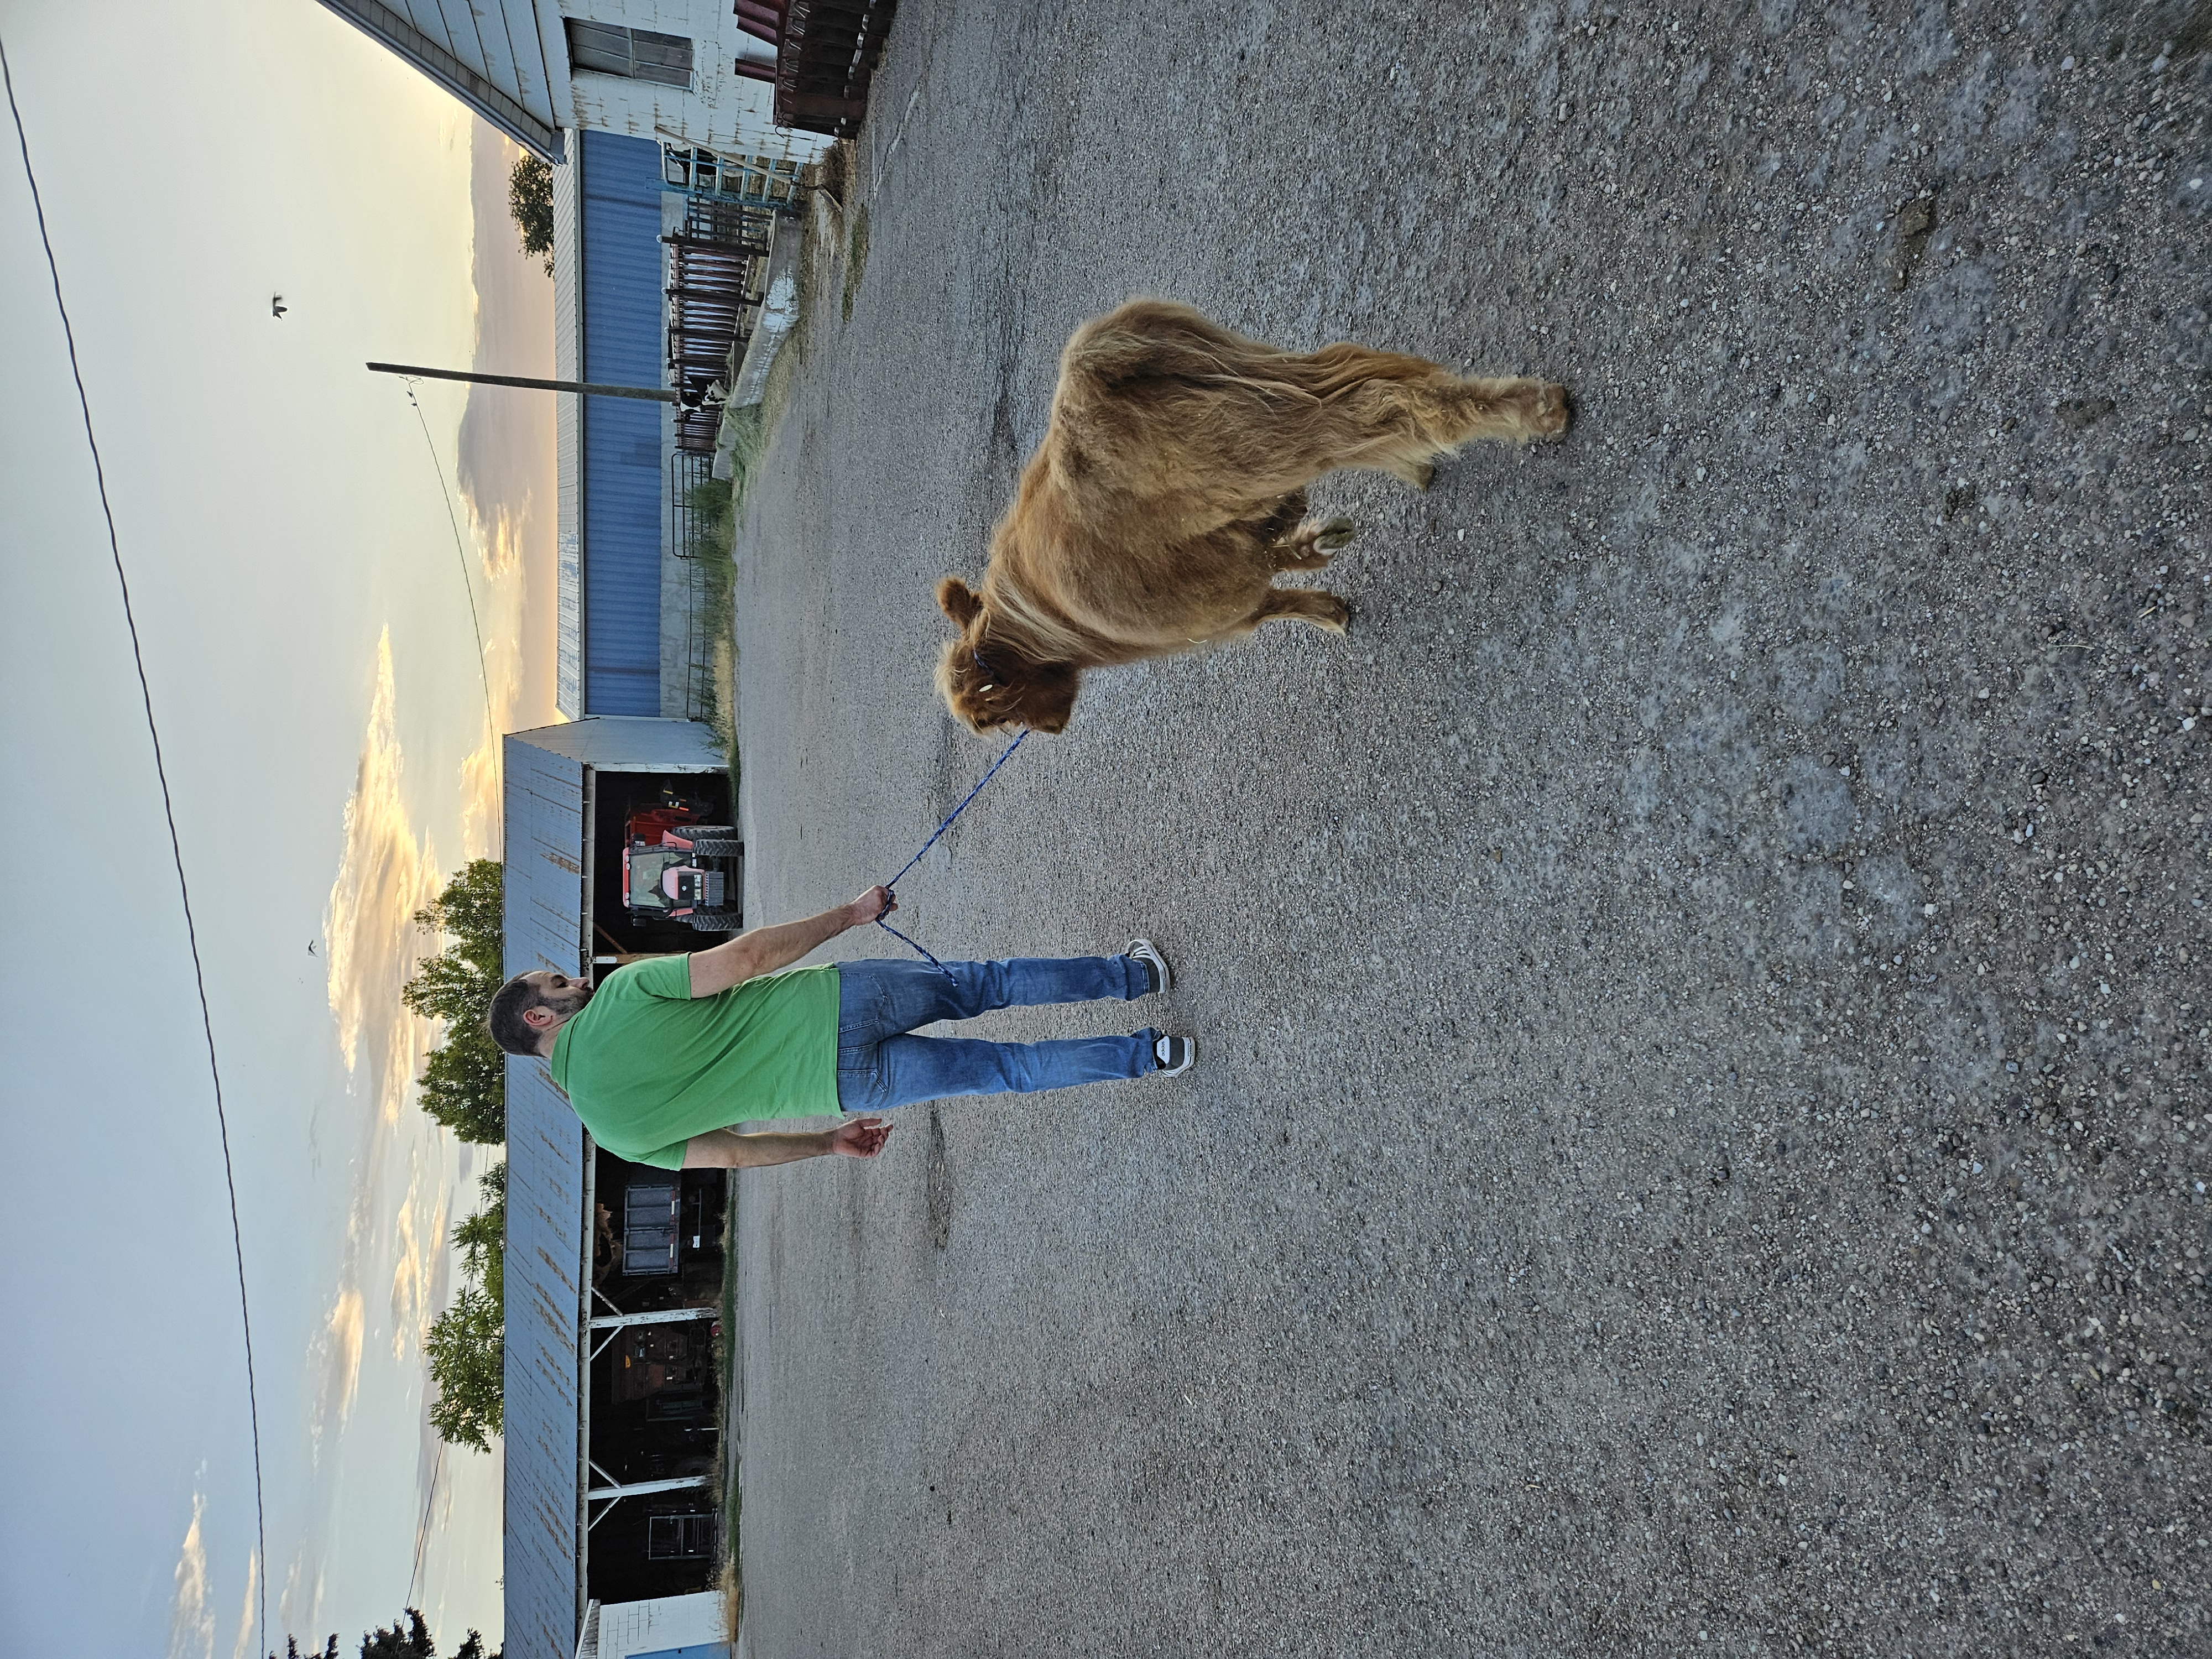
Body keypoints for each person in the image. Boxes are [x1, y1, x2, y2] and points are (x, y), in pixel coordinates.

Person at [484, 885, 1194, 1170]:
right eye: (559, 984)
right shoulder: (622, 993)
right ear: (539, 1017)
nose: (578, 980)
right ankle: (1138, 977)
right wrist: (850, 916)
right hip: (843, 1002)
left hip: (847, 1086)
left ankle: (1155, 1055)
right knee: (988, 985)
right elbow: (749, 958)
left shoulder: (615, 1135)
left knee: (1004, 1072)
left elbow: (734, 1156)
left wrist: (827, 1141)